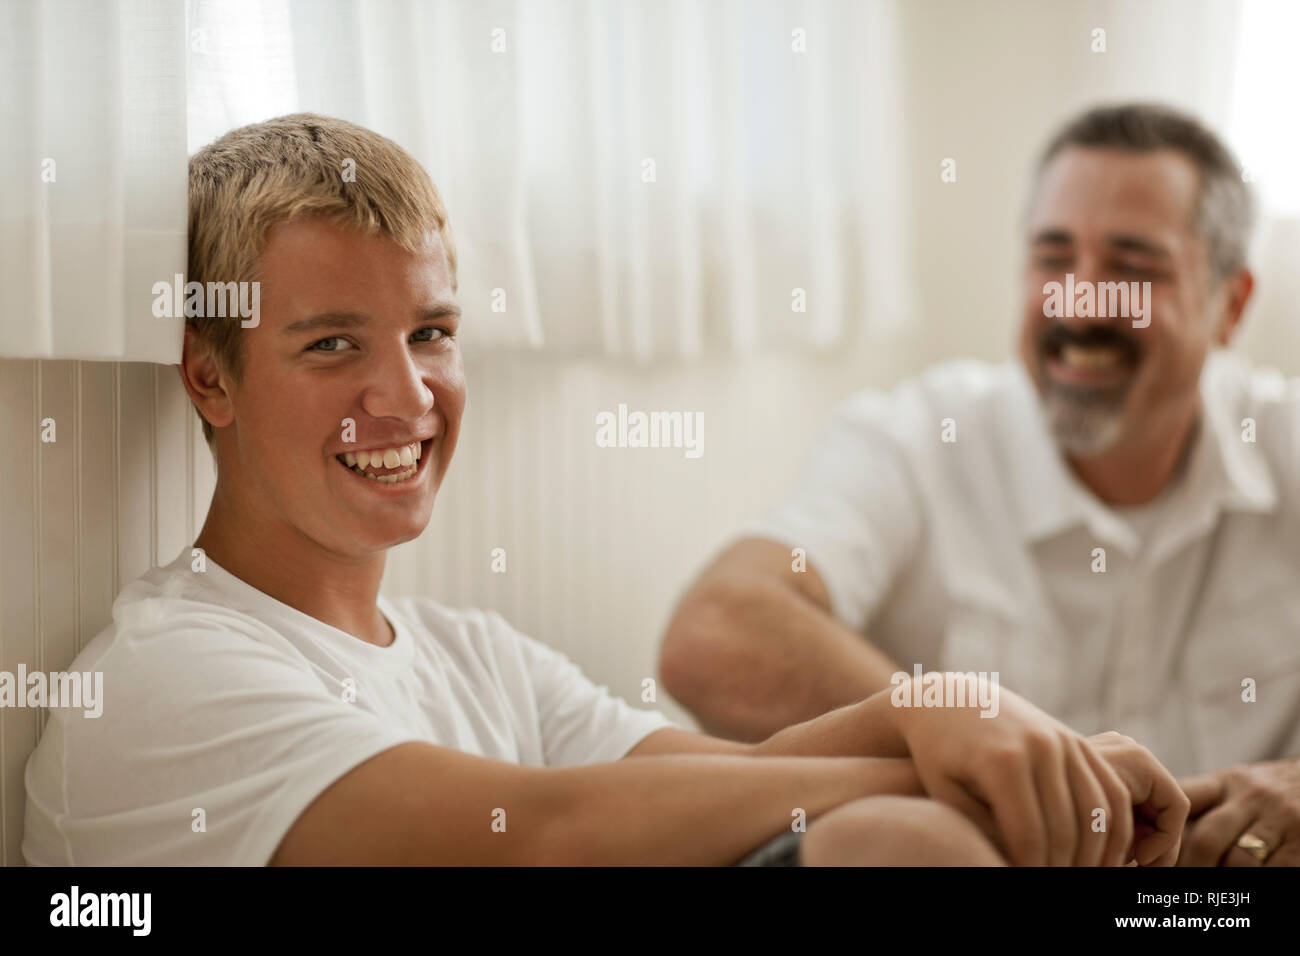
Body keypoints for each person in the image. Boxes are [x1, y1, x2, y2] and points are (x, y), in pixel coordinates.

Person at [24, 113, 1186, 867]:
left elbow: (742, 782)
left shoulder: (472, 656)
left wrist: (958, 712)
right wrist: (992, 768)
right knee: (902, 838)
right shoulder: (167, 675)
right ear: (208, 377)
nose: (407, 395)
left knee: (898, 827)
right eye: (332, 345)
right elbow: (541, 831)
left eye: (431, 332)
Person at [659, 103, 1300, 867]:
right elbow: (717, 632)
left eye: (1132, 269)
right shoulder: (917, 437)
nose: (1079, 300)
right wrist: (948, 718)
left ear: (1231, 305)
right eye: (1053, 257)